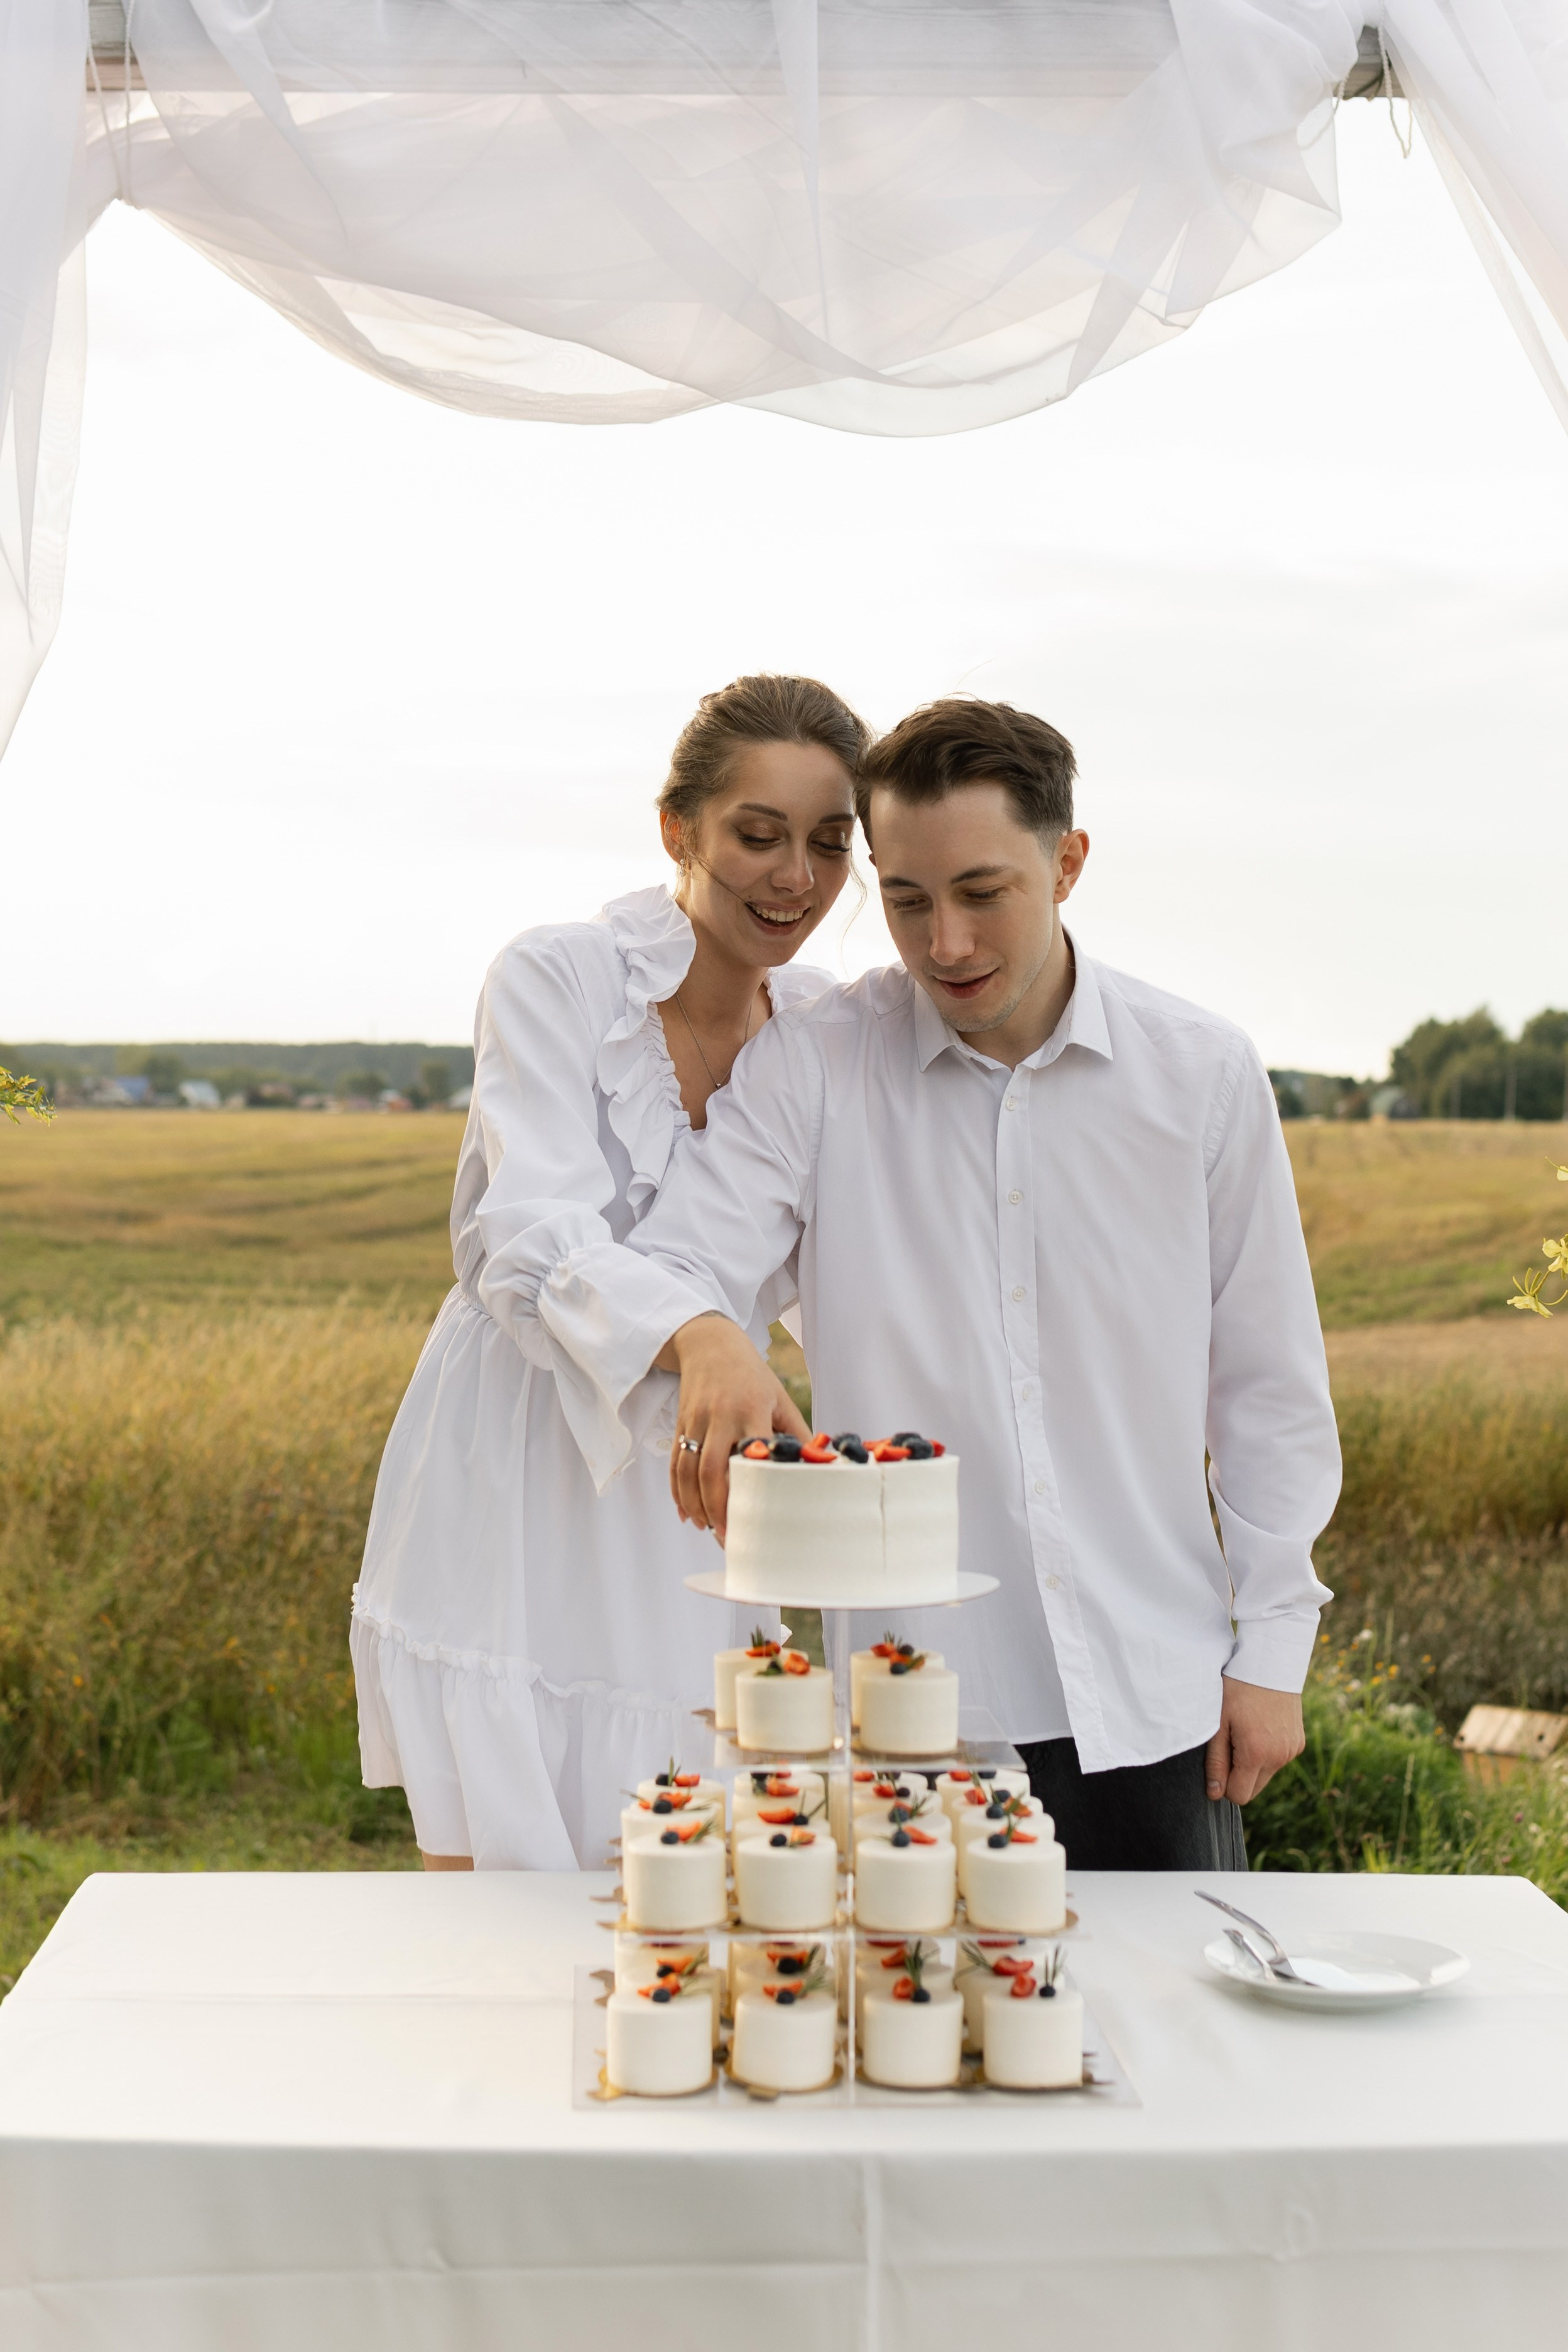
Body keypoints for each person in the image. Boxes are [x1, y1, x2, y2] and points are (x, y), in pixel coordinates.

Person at [572, 697, 1342, 1869]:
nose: (947, 948)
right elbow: (681, 1258)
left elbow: (1269, 1387)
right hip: (913, 1716)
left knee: (1184, 2046)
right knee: (921, 2044)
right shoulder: (817, 1066)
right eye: (908, 901)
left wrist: (1272, 1650)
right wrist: (705, 1333)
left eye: (984, 895)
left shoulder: (1203, 1075)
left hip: (1157, 1700)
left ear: (1068, 863)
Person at [351, 673, 867, 1871]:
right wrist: (697, 1329)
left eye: (830, 845)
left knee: (692, 1850)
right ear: (677, 828)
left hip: (698, 1469)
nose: (795, 876)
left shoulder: (831, 1028)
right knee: (496, 1854)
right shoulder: (558, 976)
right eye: (759, 834)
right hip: (517, 1448)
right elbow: (522, 1232)